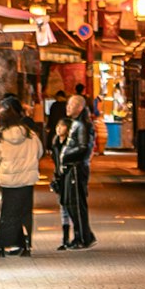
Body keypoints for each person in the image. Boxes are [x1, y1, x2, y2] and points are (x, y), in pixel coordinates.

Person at [0, 106, 44, 256]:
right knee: (25, 213)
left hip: (8, 181)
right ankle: (26, 246)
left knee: (8, 213)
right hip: (27, 181)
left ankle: (4, 246)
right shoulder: (30, 134)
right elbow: (39, 152)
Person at [49, 88, 98, 248]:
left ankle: (82, 237)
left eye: (71, 105)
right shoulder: (77, 124)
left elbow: (84, 147)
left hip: (76, 168)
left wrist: (66, 156)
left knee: (76, 204)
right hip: (72, 168)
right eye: (68, 104)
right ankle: (82, 236)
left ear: (79, 108)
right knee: (71, 203)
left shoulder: (81, 125)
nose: (67, 108)